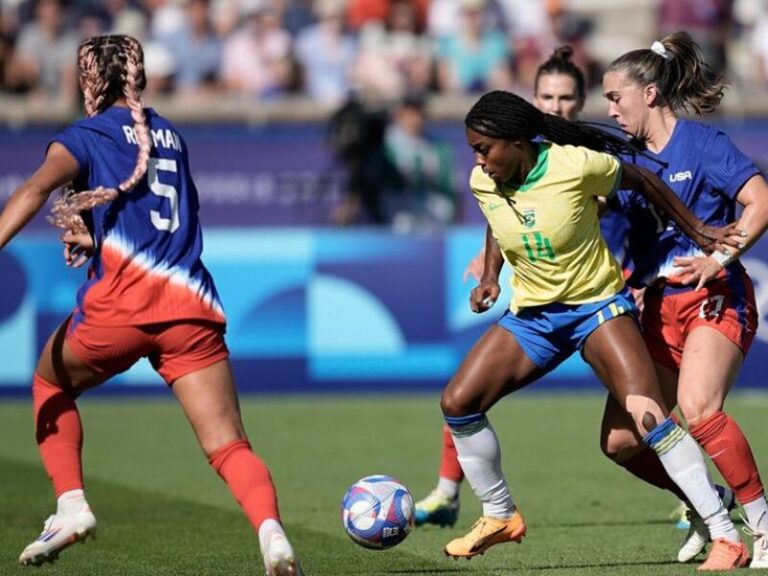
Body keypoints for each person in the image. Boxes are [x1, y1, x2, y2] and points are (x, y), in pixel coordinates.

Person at [0, 35, 303, 576]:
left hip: (120, 311)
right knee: (229, 445)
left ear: (89, 79)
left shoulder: (86, 134)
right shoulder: (169, 135)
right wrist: (99, 238)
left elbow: (34, 189)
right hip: (191, 310)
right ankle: (272, 535)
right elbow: (168, 219)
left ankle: (70, 506)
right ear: (137, 77)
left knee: (50, 382)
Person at [438, 89, 748, 571]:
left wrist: (701, 233)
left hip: (597, 307)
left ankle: (726, 534)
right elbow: (496, 220)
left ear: (517, 142)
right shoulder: (485, 180)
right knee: (458, 403)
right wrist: (490, 277)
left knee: (648, 418)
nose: (477, 160)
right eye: (474, 149)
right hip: (535, 318)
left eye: (484, 148)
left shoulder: (575, 165)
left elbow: (644, 180)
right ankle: (500, 514)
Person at [415, 46, 698, 533]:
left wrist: (650, 277)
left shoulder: (585, 159)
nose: (556, 105)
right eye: (546, 94)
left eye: (566, 97)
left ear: (580, 100)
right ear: (533, 99)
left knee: (638, 423)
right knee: (469, 391)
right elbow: (505, 213)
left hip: (607, 298)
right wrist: (491, 267)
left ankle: (699, 499)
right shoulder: (506, 162)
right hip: (543, 307)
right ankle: (449, 492)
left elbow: (645, 204)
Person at [599, 31, 768, 569]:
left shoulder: (703, 146)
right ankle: (707, 502)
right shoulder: (621, 159)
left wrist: (717, 259)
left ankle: (762, 528)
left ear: (649, 94)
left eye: (614, 97)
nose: (609, 108)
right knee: (621, 443)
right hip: (655, 307)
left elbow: (760, 202)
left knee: (699, 410)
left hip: (713, 295)